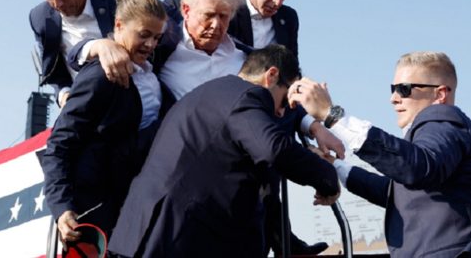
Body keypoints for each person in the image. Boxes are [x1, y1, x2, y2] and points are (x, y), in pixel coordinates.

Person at [71, 0, 338, 255]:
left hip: (213, 203)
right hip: (169, 201)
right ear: (186, 10)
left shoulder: (246, 61)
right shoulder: (159, 46)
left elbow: (277, 108)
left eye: (225, 17)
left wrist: (314, 126)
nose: (217, 25)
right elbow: (272, 145)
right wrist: (101, 44)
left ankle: (285, 242)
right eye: (209, 15)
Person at [108, 44, 340, 258]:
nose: (281, 113)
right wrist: (327, 178)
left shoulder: (211, 94)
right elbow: (274, 149)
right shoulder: (247, 96)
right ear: (271, 76)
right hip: (178, 237)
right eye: (285, 101)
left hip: (147, 233)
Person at [288, 51, 471, 257]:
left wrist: (332, 115)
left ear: (440, 94)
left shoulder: (445, 121)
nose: (394, 98)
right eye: (393, 88)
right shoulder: (430, 136)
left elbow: (418, 168)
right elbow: (396, 193)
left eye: (404, 89)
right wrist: (335, 166)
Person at [39, 0, 167, 246]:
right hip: (96, 212)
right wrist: (63, 207)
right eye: (144, 35)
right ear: (119, 25)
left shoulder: (150, 73)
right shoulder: (101, 75)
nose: (151, 45)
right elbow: (60, 144)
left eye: (157, 38)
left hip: (132, 206)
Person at [25, 0, 138, 106]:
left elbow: (162, 36)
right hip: (89, 112)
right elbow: (53, 72)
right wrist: (64, 95)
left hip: (139, 101)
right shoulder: (40, 18)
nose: (57, 3)